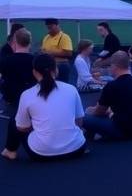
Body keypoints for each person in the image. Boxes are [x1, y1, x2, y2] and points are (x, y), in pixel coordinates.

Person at [15, 53, 86, 160]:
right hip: (76, 149)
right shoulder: (71, 89)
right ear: (56, 70)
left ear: (34, 72)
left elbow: (21, 127)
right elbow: (79, 121)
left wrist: (36, 127)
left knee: (14, 121)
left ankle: (10, 151)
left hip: (41, 154)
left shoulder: (27, 94)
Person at [83, 51, 132, 140]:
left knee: (83, 117)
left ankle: (91, 137)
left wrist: (89, 110)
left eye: (110, 66)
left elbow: (99, 112)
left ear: (114, 66)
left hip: (125, 130)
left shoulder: (112, 86)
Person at [1, 27, 36, 160]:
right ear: (29, 43)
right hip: (35, 96)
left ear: (14, 42)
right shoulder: (35, 60)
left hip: (14, 97)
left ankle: (11, 150)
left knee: (16, 119)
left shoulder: (6, 61)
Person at [41, 18, 74, 84]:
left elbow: (69, 53)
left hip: (61, 65)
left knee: (62, 85)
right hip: (48, 66)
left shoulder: (64, 37)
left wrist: (50, 53)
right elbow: (43, 50)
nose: (49, 29)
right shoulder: (46, 37)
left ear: (57, 25)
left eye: (51, 27)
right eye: (48, 28)